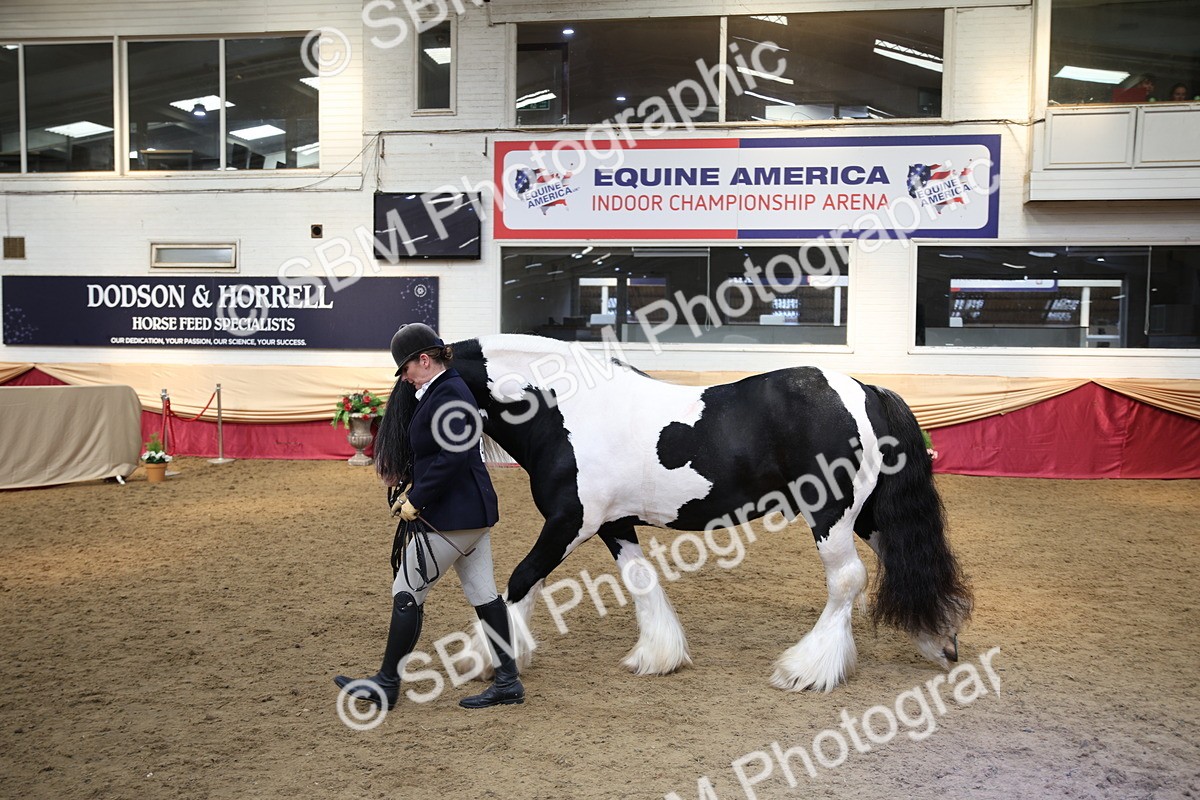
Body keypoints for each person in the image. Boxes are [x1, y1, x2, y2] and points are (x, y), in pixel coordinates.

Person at [333, 323, 523, 710]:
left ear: (424, 359)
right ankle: (508, 682)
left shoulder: (449, 392)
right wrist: (407, 478)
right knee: (486, 598)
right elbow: (435, 452)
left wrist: (416, 499)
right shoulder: (440, 391)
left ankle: (387, 683)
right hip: (470, 515)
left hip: (451, 516)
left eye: (405, 368)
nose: (403, 377)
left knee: (407, 593)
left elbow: (453, 454)